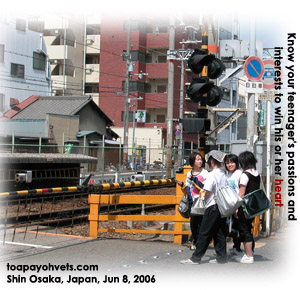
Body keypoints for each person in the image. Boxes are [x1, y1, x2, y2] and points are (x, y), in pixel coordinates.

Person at [180, 150, 228, 264]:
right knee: (219, 232)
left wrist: (205, 200)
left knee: (204, 232)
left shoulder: (211, 175)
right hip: (222, 206)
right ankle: (221, 257)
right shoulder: (223, 174)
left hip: (212, 206)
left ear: (211, 161)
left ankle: (196, 258)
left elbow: (207, 191)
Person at [234, 151, 260, 264]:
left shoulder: (244, 175)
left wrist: (235, 208)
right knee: (248, 228)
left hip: (244, 207)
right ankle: (249, 253)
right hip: (253, 206)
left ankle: (249, 256)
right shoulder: (256, 173)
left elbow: (241, 194)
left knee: (244, 230)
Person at [179, 153, 209, 250]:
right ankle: (195, 240)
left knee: (201, 223)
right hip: (192, 201)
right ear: (193, 161)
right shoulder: (189, 173)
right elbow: (188, 186)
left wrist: (195, 180)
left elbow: (205, 186)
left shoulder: (205, 173)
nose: (200, 161)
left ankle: (200, 243)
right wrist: (183, 185)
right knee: (193, 223)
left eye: (200, 159)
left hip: (201, 201)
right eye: (197, 159)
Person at [224, 154, 243, 256]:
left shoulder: (239, 174)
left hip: (238, 204)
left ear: (236, 163)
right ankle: (236, 247)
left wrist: (237, 206)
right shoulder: (227, 176)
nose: (229, 165)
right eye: (227, 163)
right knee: (234, 227)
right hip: (230, 204)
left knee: (241, 228)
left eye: (231, 162)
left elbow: (241, 190)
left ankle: (246, 249)